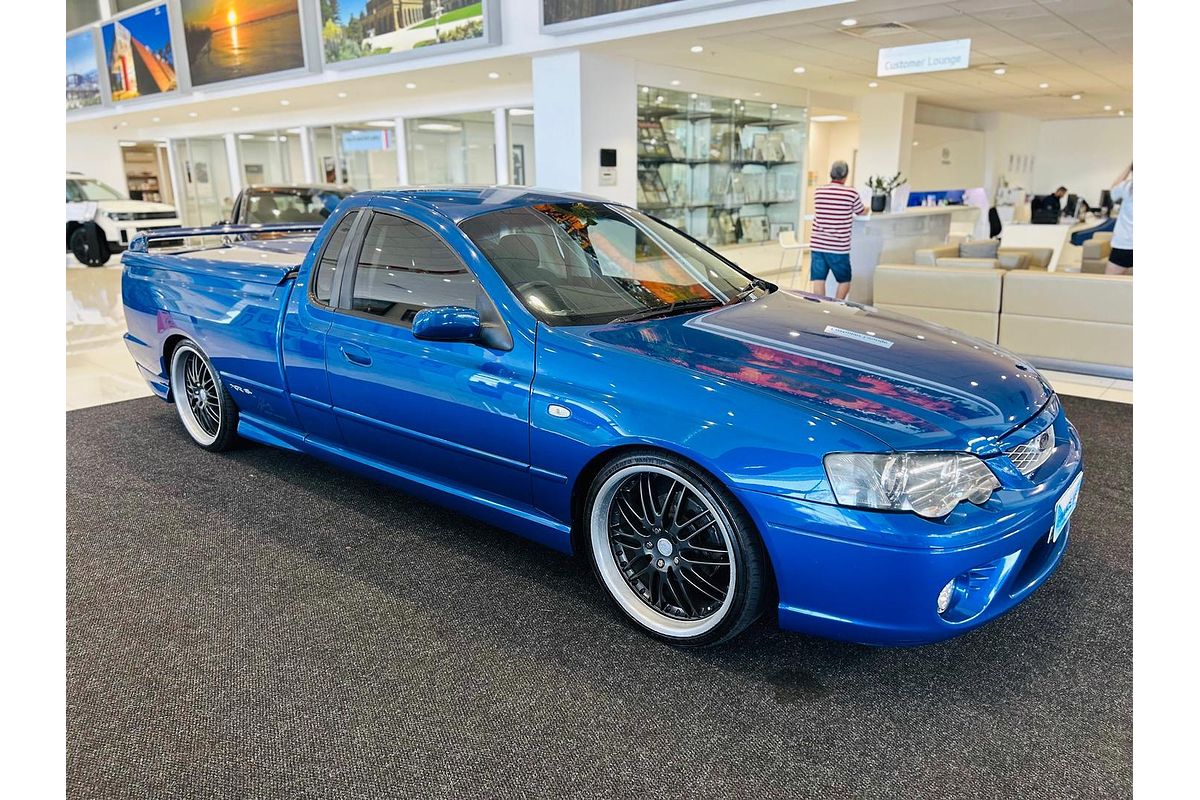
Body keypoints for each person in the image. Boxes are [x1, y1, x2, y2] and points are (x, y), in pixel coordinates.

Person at [810, 161, 868, 299]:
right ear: (845, 176)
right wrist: (867, 208)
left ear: (831, 173)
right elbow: (861, 212)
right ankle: (837, 306)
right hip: (838, 247)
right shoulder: (851, 192)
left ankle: (820, 307)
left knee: (819, 279)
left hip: (818, 244)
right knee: (844, 280)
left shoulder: (819, 191)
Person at [1107, 164, 1133, 275]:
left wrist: (1129, 167)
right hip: (1125, 244)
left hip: (1124, 244)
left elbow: (1113, 189)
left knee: (1110, 285)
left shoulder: (1127, 186)